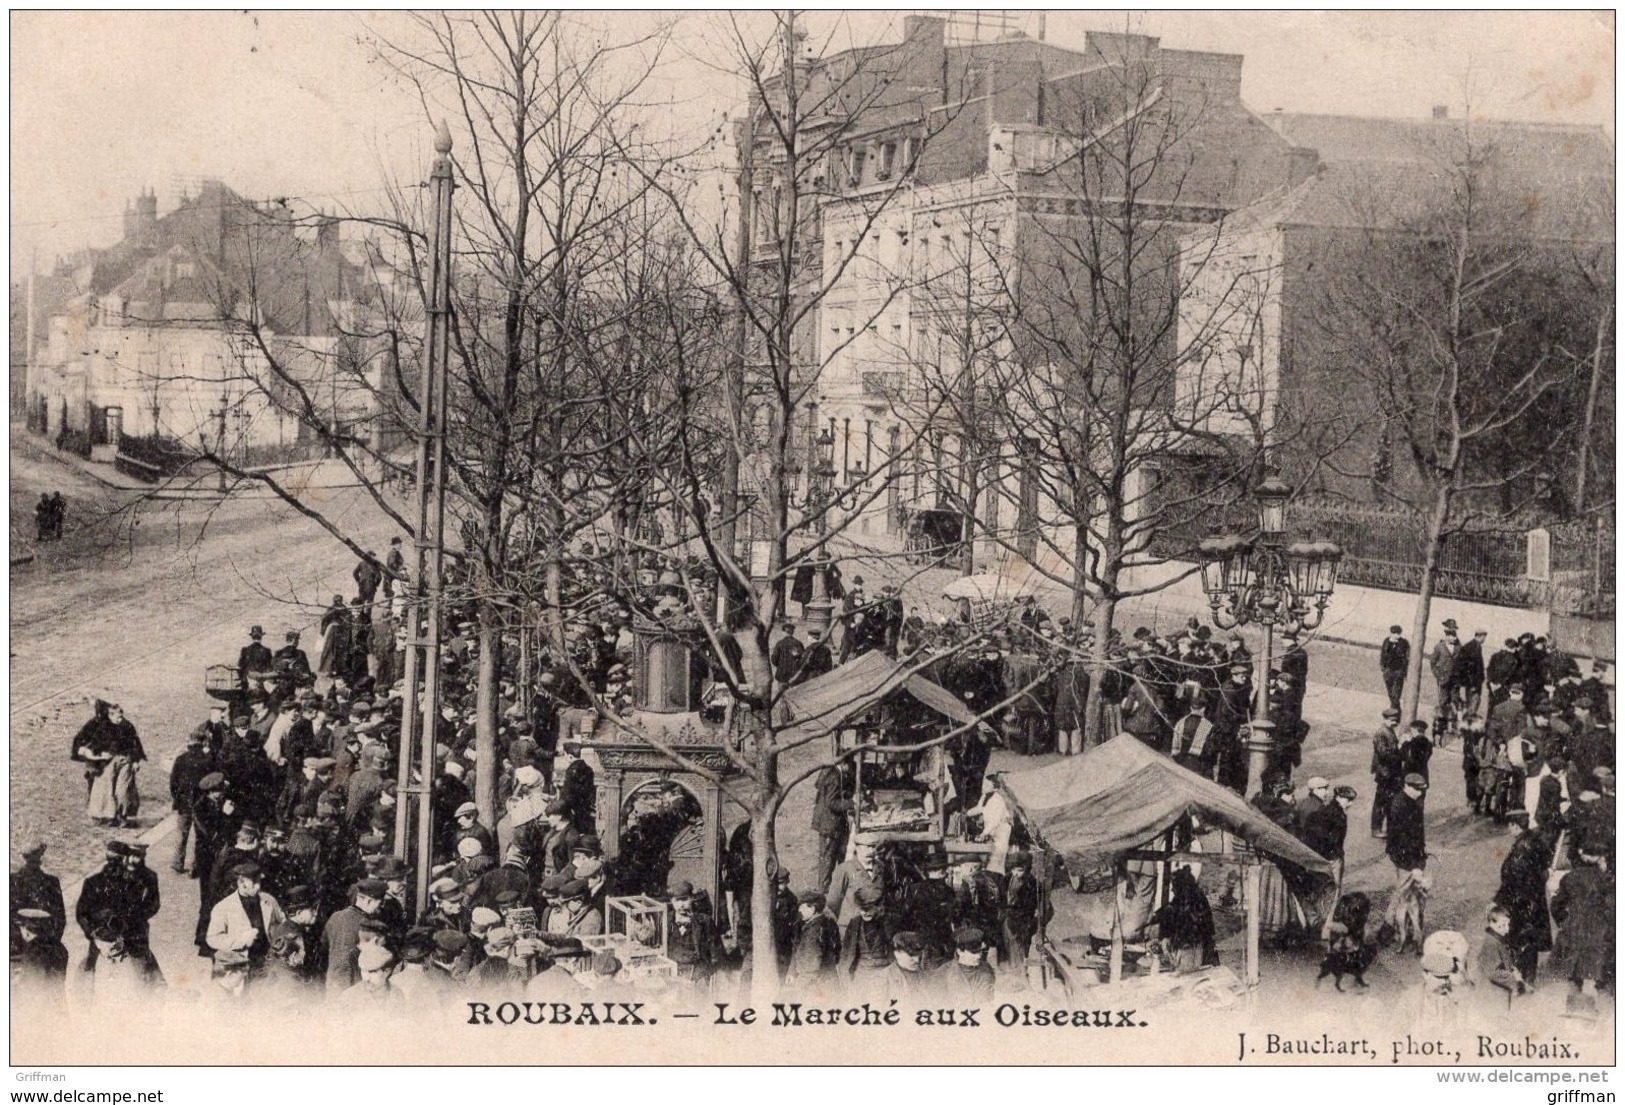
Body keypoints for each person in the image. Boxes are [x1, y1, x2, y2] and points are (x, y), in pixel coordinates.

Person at [1549, 845, 1613, 1019]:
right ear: (1598, 860)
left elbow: (1556, 905)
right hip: (1599, 933)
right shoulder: (1607, 880)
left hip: (1573, 931)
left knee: (1573, 972)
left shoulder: (1569, 878)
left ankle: (1573, 1010)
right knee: (1595, 975)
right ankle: (1595, 1014)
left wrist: (1565, 922)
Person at [1493, 819, 1553, 987]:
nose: (1509, 828)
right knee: (1531, 940)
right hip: (1535, 901)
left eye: (1510, 825)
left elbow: (1512, 876)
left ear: (1516, 826)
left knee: (1516, 938)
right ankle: (1529, 979)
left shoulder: (1521, 848)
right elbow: (1544, 868)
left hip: (1521, 901)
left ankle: (1516, 977)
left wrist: (1502, 898)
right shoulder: (1536, 841)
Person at [1384, 772, 1430, 952]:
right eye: (1418, 789)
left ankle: (1401, 931)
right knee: (1404, 896)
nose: (1421, 793)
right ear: (1408, 786)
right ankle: (1391, 931)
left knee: (1407, 896)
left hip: (1412, 857)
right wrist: (1414, 866)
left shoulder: (1409, 801)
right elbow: (1403, 840)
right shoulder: (1401, 806)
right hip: (1407, 860)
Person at [169, 725, 214, 874]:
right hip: (201, 803)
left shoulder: (181, 759)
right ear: (203, 743)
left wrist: (176, 798)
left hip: (183, 803)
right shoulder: (208, 760)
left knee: (181, 835)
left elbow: (173, 782)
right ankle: (196, 867)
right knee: (200, 836)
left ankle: (177, 863)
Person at [786, 890, 840, 991]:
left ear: (812, 908)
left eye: (802, 907)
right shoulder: (823, 923)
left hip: (817, 987)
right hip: (826, 982)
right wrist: (792, 972)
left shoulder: (814, 932)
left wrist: (797, 987)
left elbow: (810, 970)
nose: (799, 910)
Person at [811, 764, 852, 894]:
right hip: (830, 823)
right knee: (827, 856)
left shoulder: (828, 770)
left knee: (828, 855)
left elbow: (820, 787)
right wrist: (851, 804)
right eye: (849, 767)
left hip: (826, 821)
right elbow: (832, 802)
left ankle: (828, 885)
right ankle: (824, 889)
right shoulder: (835, 777)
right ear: (845, 764)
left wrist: (843, 794)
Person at [1476, 904, 1528, 1009]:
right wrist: (1515, 978)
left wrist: (1512, 968)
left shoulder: (1497, 939)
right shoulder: (1491, 943)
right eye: (1503, 925)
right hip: (1493, 994)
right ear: (1492, 923)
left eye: (1508, 924)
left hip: (1499, 991)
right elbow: (1493, 973)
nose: (1507, 929)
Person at [1369, 707, 1404, 838]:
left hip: (1390, 772)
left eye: (1396, 721)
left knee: (1389, 801)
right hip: (1385, 773)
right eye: (1392, 720)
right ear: (1385, 720)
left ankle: (1389, 828)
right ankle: (1376, 829)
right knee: (1381, 802)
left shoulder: (1389, 731)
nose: (1395, 723)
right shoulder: (1381, 733)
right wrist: (1400, 752)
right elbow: (1384, 754)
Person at [1379, 625, 1410, 711]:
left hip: (1399, 670)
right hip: (1388, 670)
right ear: (1391, 633)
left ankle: (1395, 709)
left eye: (1399, 633)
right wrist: (1383, 668)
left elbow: (1407, 657)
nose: (1397, 636)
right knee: (1390, 691)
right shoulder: (1386, 642)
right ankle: (1396, 707)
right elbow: (1383, 655)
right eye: (1395, 633)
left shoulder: (1404, 643)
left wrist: (1405, 671)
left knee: (1397, 691)